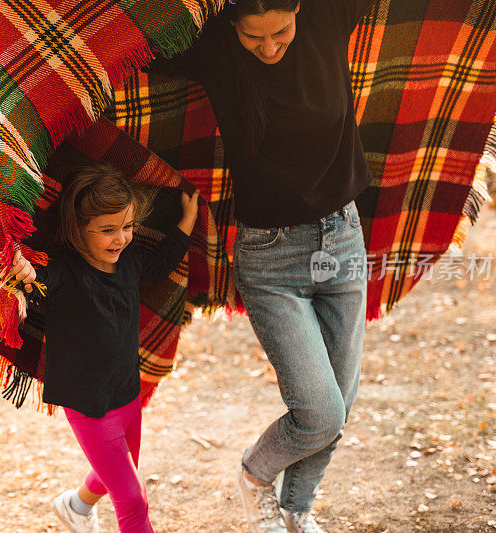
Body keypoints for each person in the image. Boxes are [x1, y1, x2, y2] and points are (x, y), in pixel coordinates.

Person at [147, 1, 377, 531]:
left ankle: (297, 509)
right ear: (232, 24)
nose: (270, 47)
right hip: (270, 259)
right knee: (319, 413)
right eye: (255, 38)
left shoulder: (329, 15)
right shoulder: (214, 48)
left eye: (282, 31)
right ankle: (255, 475)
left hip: (342, 240)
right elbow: (138, 37)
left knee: (339, 405)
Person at [8, 161, 199, 533]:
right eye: (107, 230)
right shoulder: (65, 271)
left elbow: (159, 265)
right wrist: (28, 273)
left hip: (128, 391)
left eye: (126, 227)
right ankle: (79, 506)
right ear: (78, 230)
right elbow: (39, 279)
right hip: (90, 406)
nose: (121, 239)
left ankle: (76, 506)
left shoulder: (127, 261)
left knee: (120, 469)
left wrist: (187, 221)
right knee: (132, 499)